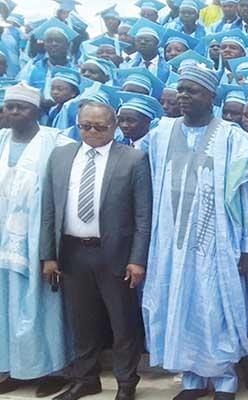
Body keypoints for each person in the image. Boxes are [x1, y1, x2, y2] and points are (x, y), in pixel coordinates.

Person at [141, 65, 248, 400]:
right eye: (180, 90)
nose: (182, 96)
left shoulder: (234, 138)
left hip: (217, 242)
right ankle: (192, 378)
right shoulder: (160, 133)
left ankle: (223, 379)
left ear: (211, 96)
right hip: (171, 241)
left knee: (214, 306)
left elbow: (247, 197)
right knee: (177, 304)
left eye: (191, 90)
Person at [41, 100, 152, 400]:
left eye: (99, 127)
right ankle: (86, 379)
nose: (91, 132)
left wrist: (137, 260)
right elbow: (49, 209)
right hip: (73, 252)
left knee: (122, 323)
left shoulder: (133, 159)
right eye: (85, 126)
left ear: (114, 126)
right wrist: (48, 255)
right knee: (82, 320)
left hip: (114, 254)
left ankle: (126, 383)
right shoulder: (61, 157)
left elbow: (143, 215)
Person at [0, 83, 71, 399]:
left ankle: (53, 370)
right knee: (6, 305)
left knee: (42, 306)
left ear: (38, 111)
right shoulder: (1, 140)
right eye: (9, 106)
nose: (14, 112)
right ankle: (16, 368)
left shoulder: (55, 143)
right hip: (3, 240)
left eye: (22, 107)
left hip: (37, 240)